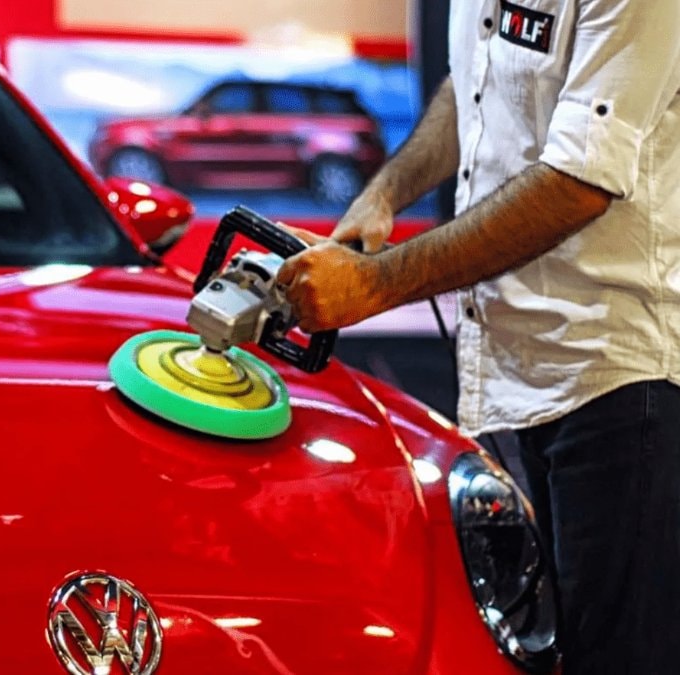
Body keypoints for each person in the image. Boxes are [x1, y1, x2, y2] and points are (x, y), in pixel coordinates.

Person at [275, 2, 680, 672]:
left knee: (619, 655)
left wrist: (375, 284)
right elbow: (474, 84)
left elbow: (579, 181)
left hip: (620, 372)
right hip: (522, 369)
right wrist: (385, 193)